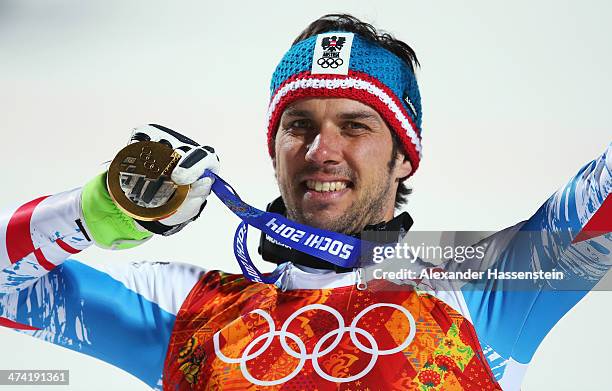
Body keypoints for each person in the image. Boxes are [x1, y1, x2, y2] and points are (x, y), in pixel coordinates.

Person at [0, 13, 610, 391]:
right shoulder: (187, 311)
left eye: (355, 125)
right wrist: (101, 207)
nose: (322, 149)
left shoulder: (483, 288)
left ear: (404, 157)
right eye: (299, 125)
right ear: (274, 150)